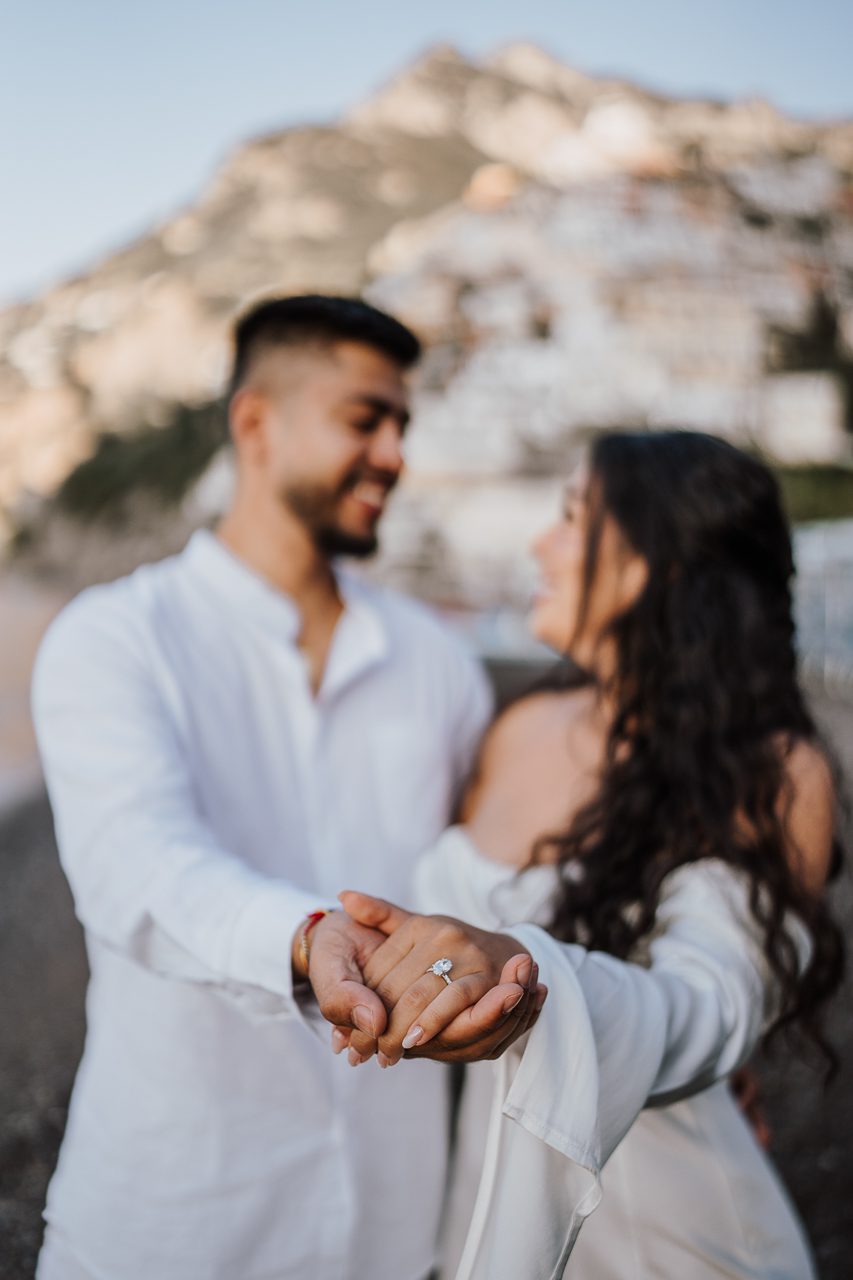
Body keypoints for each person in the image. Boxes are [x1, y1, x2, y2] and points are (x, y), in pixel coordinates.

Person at [31, 295, 545, 1280]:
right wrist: (306, 938)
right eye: (364, 418)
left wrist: (512, 974)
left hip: (394, 1230)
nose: (394, 452)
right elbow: (134, 866)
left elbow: (486, 883)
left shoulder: (438, 662)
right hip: (167, 1220)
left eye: (402, 424)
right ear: (255, 421)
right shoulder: (115, 638)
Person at [338, 431, 843, 1279]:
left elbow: (712, 1000)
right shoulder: (518, 727)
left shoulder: (775, 772)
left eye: (572, 517)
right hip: (485, 1186)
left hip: (672, 1236)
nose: (539, 542)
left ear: (657, 562)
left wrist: (527, 973)